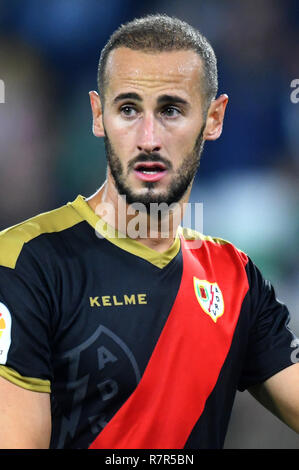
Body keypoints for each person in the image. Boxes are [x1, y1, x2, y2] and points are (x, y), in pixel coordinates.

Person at [0, 14, 298, 450]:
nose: (148, 138)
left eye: (171, 110)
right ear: (98, 116)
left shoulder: (235, 277)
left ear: (214, 119)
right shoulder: (24, 262)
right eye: (128, 109)